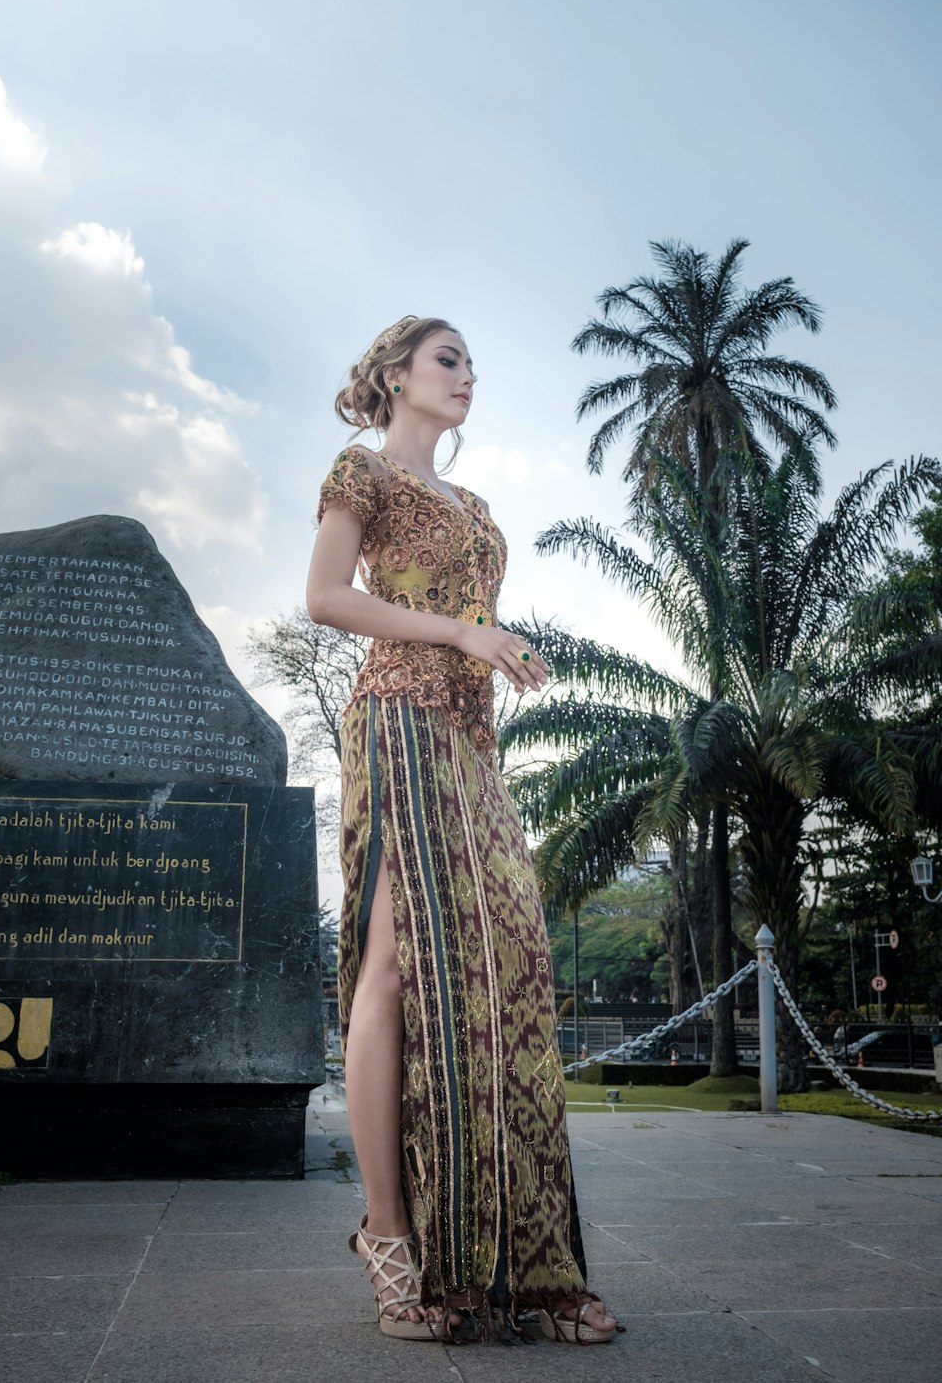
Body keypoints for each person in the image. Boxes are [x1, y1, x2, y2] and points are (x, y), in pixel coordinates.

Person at [307, 315, 623, 1346]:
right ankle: (392, 1241)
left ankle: (517, 1258)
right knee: (395, 967)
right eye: (448, 360)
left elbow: (469, 616)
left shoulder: (474, 505)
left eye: (474, 364)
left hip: (469, 743)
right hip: (395, 717)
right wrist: (457, 632)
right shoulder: (361, 473)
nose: (467, 377)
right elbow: (323, 598)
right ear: (395, 375)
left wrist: (500, 649)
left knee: (504, 969)